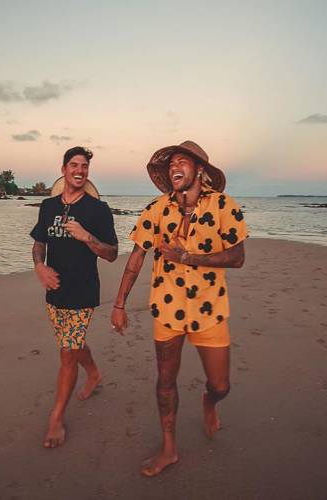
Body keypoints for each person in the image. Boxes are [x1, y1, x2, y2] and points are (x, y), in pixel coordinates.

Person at [111, 140, 248, 476]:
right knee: (165, 381)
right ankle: (169, 448)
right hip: (167, 309)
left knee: (220, 386)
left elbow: (237, 257)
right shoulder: (157, 209)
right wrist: (119, 303)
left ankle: (208, 403)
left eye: (182, 161)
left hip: (209, 310)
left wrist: (188, 257)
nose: (175, 167)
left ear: (199, 169)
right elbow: (137, 256)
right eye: (171, 163)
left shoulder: (223, 205)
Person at [30, 146, 119, 449]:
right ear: (64, 169)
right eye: (74, 165)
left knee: (67, 353)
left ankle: (56, 418)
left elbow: (112, 254)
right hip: (54, 290)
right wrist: (39, 267)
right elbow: (39, 242)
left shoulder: (98, 210)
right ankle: (93, 372)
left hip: (83, 292)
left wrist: (87, 237)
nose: (79, 170)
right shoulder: (47, 206)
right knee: (72, 342)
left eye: (84, 166)